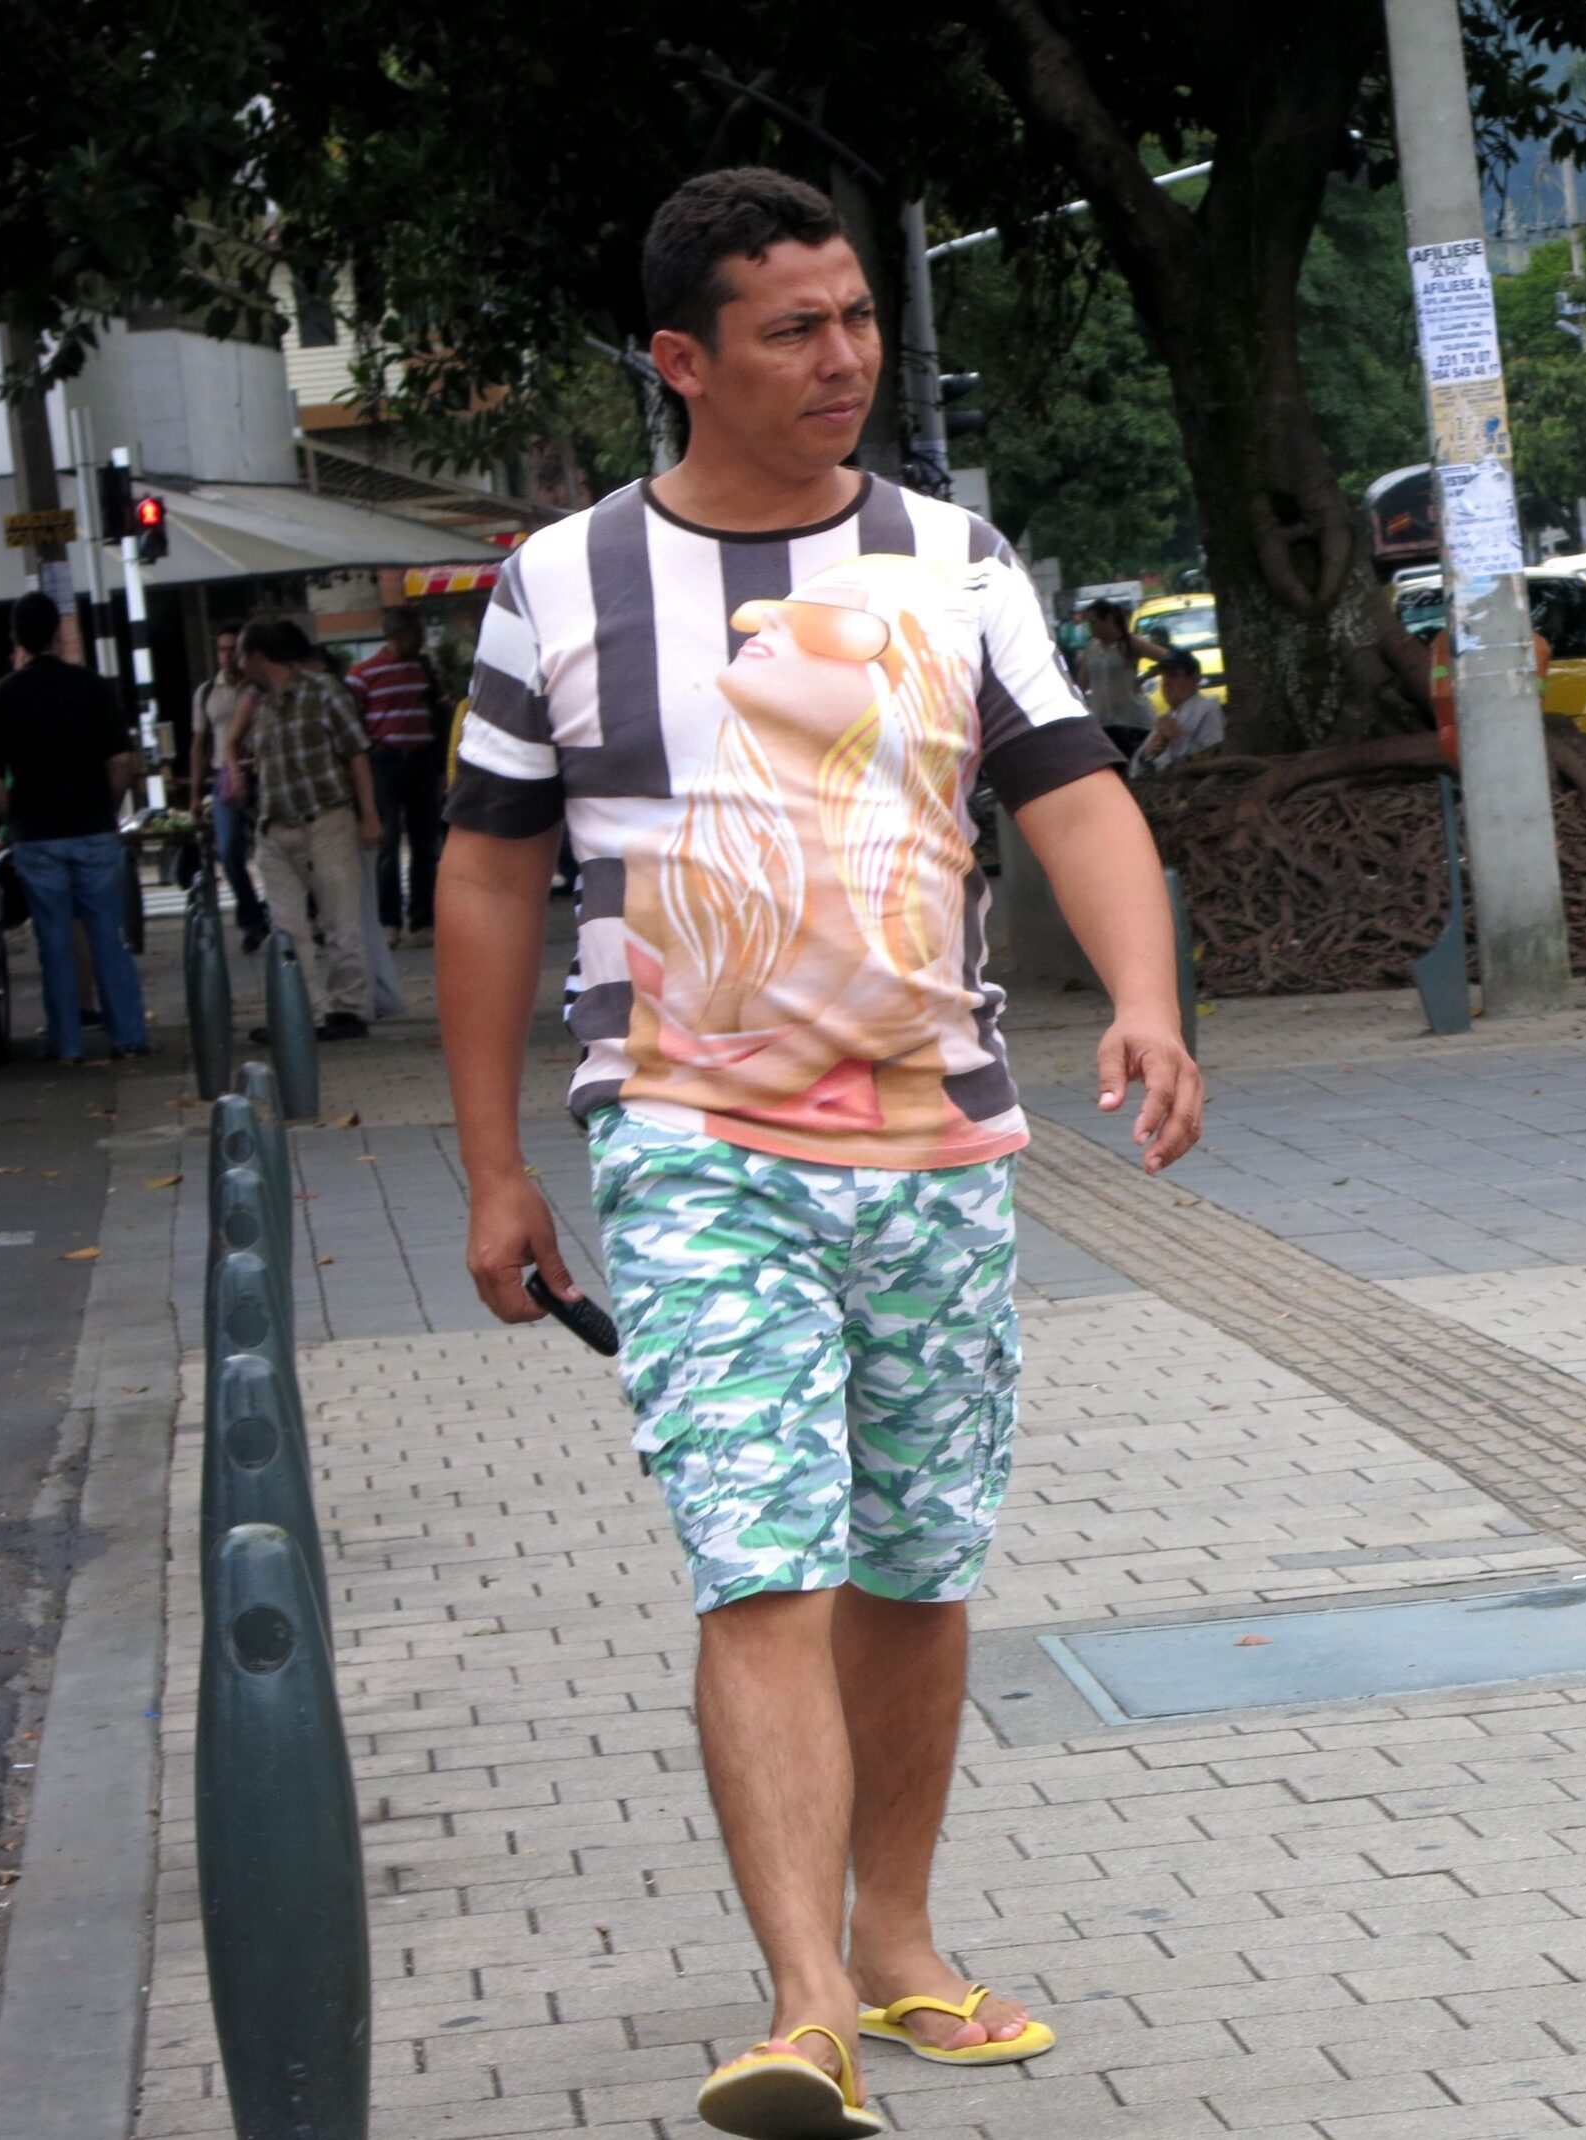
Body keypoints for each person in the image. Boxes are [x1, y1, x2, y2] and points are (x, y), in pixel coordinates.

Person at [434, 166, 1202, 2140]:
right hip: (689, 1135)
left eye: (854, 315)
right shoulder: (561, 580)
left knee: (912, 1558)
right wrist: (493, 1165)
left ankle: (898, 1935)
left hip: (935, 1136)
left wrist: (1143, 993)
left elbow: (1071, 788)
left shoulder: (952, 558)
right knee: (759, 1542)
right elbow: (490, 873)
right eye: (795, 328)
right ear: (681, 358)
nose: (844, 356)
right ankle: (800, 2008)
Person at [0, 591, 149, 1062]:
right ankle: (128, 1036)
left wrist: (16, 817)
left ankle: (67, 1042)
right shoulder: (94, 688)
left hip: (38, 836)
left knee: (53, 942)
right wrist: (107, 807)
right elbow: (122, 762)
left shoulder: (0, 697)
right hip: (92, 828)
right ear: (58, 633)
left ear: (15, 637)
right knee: (106, 936)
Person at [239, 617, 380, 1039]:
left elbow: (357, 753)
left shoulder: (323, 692)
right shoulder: (261, 705)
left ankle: (347, 1008)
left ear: (260, 658)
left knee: (340, 920)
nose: (237, 664)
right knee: (287, 927)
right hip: (275, 827)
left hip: (326, 819)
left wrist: (369, 815)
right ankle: (303, 1011)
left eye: (243, 655)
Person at [348, 607, 448, 943]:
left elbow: (437, 710)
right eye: (415, 633)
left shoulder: (424, 670)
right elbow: (353, 723)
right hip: (385, 761)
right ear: (397, 634)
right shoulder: (364, 674)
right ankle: (387, 920)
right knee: (387, 842)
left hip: (420, 759)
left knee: (424, 842)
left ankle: (422, 919)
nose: (420, 640)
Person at [190, 624, 270, 950]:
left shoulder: (259, 688)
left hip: (261, 774)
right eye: (221, 650)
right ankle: (252, 919)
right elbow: (199, 744)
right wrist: (195, 795)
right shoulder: (207, 692)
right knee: (228, 851)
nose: (227, 656)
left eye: (232, 649)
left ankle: (289, 911)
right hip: (224, 778)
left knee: (276, 846)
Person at [1073, 599, 1169, 759]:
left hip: (1132, 719)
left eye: (1094, 622)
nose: (1092, 628)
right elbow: (1082, 682)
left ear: (1108, 619)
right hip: (1103, 720)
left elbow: (1167, 657)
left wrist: (1144, 678)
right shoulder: (1091, 648)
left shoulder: (1130, 643)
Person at [1129, 648, 1225, 773]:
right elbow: (1134, 769)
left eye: (1173, 676)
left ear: (1194, 678)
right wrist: (1146, 755)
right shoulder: (1168, 716)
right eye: (1164, 677)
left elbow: (1213, 758)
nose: (1166, 683)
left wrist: (1177, 738)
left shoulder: (1208, 708)